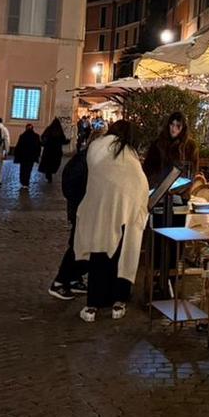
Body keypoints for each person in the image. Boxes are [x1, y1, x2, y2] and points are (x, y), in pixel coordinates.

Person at [73, 120, 150, 323]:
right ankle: (118, 301)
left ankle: (93, 305)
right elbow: (139, 184)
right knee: (122, 256)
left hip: (98, 211)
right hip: (125, 213)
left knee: (99, 257)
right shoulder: (126, 153)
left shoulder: (97, 146)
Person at [49, 140, 90, 300]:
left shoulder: (86, 159)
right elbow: (71, 185)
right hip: (81, 211)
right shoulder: (84, 160)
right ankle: (60, 282)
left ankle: (74, 278)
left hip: (83, 210)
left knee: (84, 247)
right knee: (77, 246)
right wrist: (81, 204)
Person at [142, 112, 198, 184]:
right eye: (172, 124)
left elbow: (192, 173)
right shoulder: (158, 144)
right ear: (168, 125)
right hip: (158, 188)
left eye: (178, 126)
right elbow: (148, 169)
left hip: (180, 189)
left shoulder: (190, 146)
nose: (174, 128)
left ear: (183, 127)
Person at [14, 123, 42, 189]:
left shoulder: (22, 136)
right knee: (29, 170)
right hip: (31, 157)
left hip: (23, 156)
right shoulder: (36, 136)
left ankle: (22, 181)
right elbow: (38, 147)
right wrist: (37, 155)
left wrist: (16, 155)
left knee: (22, 169)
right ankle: (26, 182)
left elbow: (18, 146)